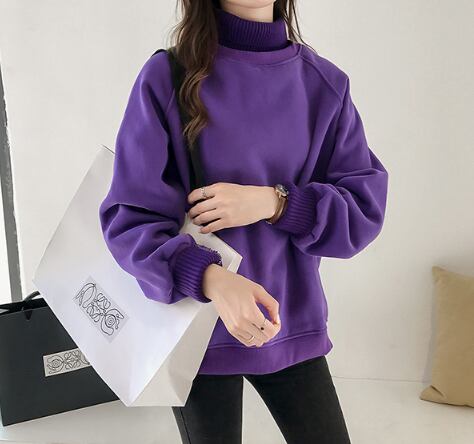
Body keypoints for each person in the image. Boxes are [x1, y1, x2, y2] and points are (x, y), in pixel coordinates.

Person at [98, 1, 389, 442]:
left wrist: (276, 203)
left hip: (288, 323)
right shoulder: (168, 77)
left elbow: (363, 209)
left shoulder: (323, 85)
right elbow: (130, 218)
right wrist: (212, 279)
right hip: (196, 333)